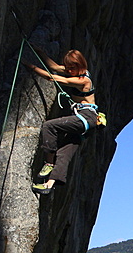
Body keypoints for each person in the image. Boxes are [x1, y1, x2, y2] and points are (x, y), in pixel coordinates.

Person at [24, 48, 98, 194]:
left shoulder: (83, 80)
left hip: (85, 117)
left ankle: (49, 163)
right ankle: (48, 185)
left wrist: (29, 66)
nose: (70, 71)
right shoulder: (77, 71)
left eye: (72, 68)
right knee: (64, 153)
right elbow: (55, 68)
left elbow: (52, 77)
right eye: (68, 68)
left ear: (80, 65)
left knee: (49, 126)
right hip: (87, 122)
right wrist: (40, 51)